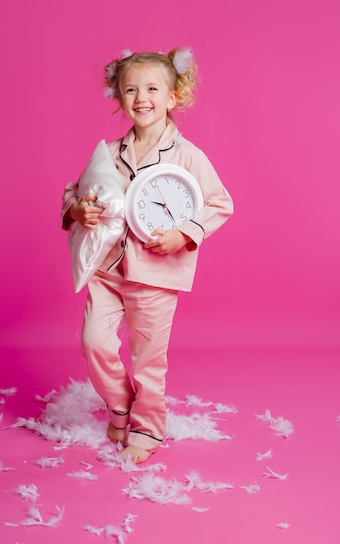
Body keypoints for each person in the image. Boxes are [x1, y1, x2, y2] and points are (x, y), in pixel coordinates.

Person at [61, 48, 233, 463]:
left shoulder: (188, 156)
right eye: (131, 89)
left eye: (152, 88)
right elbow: (77, 190)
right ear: (119, 99)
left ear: (173, 97)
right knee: (93, 343)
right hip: (107, 269)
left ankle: (148, 428)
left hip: (155, 276)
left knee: (147, 360)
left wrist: (184, 234)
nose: (142, 97)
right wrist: (77, 209)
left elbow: (219, 203)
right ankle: (120, 404)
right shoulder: (110, 153)